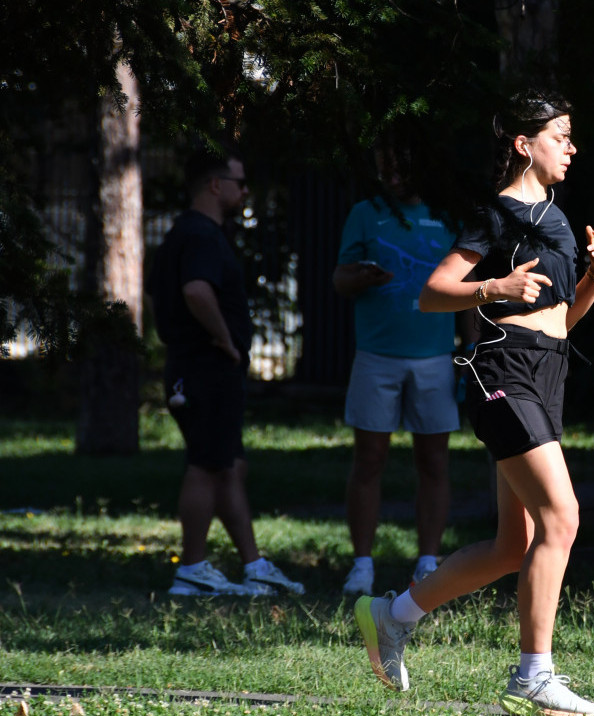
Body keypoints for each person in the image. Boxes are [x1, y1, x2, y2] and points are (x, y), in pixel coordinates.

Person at [353, 91, 594, 716]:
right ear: (526, 145)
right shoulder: (494, 217)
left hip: (547, 372)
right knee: (563, 517)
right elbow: (434, 293)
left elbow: (563, 321)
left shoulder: (556, 217)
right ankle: (533, 677)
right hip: (503, 373)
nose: (572, 148)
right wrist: (494, 286)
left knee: (509, 546)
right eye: (562, 136)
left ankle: (391, 617)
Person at [145, 144, 305, 597]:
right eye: (239, 182)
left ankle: (253, 564)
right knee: (205, 464)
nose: (245, 191)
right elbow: (196, 290)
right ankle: (192, 568)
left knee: (229, 466)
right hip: (205, 367)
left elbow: (158, 294)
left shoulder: (183, 232)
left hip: (199, 366)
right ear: (216, 185)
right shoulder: (200, 235)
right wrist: (223, 340)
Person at [332, 138, 461, 596]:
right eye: (382, 166)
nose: (388, 174)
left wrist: (471, 350)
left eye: (397, 164)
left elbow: (466, 288)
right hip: (376, 356)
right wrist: (360, 277)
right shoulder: (365, 213)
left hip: (435, 357)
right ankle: (362, 565)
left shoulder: (448, 216)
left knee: (433, 461)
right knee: (369, 459)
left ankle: (428, 562)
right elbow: (340, 278)